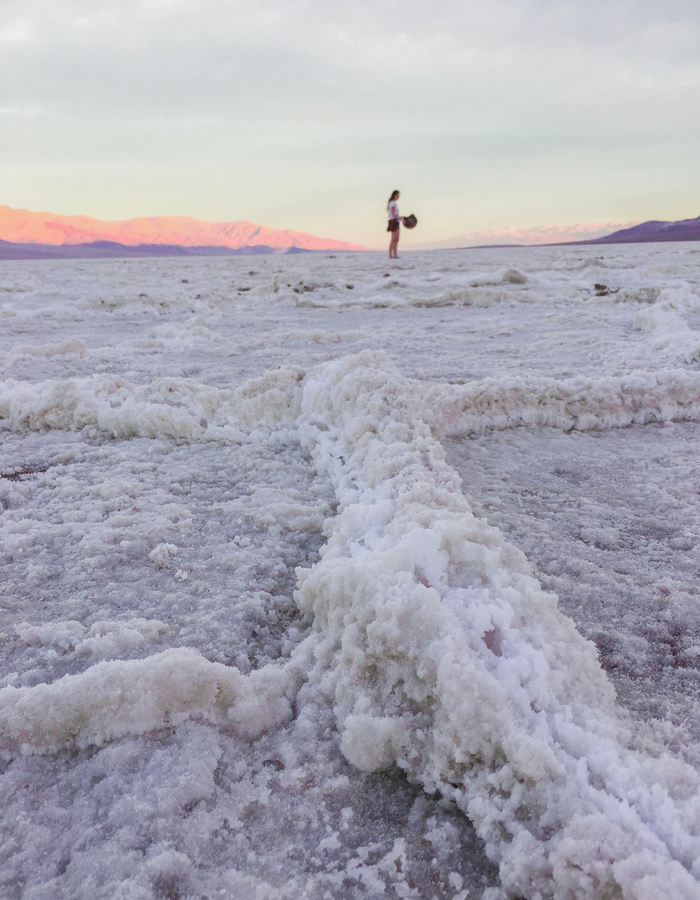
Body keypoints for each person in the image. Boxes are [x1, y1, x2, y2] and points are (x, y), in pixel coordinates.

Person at [387, 189, 404, 259]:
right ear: (394, 196)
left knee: (396, 239)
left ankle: (395, 254)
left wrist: (400, 218)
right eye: (397, 195)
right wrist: (400, 218)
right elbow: (394, 214)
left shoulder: (394, 203)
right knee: (393, 239)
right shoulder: (392, 203)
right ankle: (391, 255)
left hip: (396, 221)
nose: (398, 197)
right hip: (394, 221)